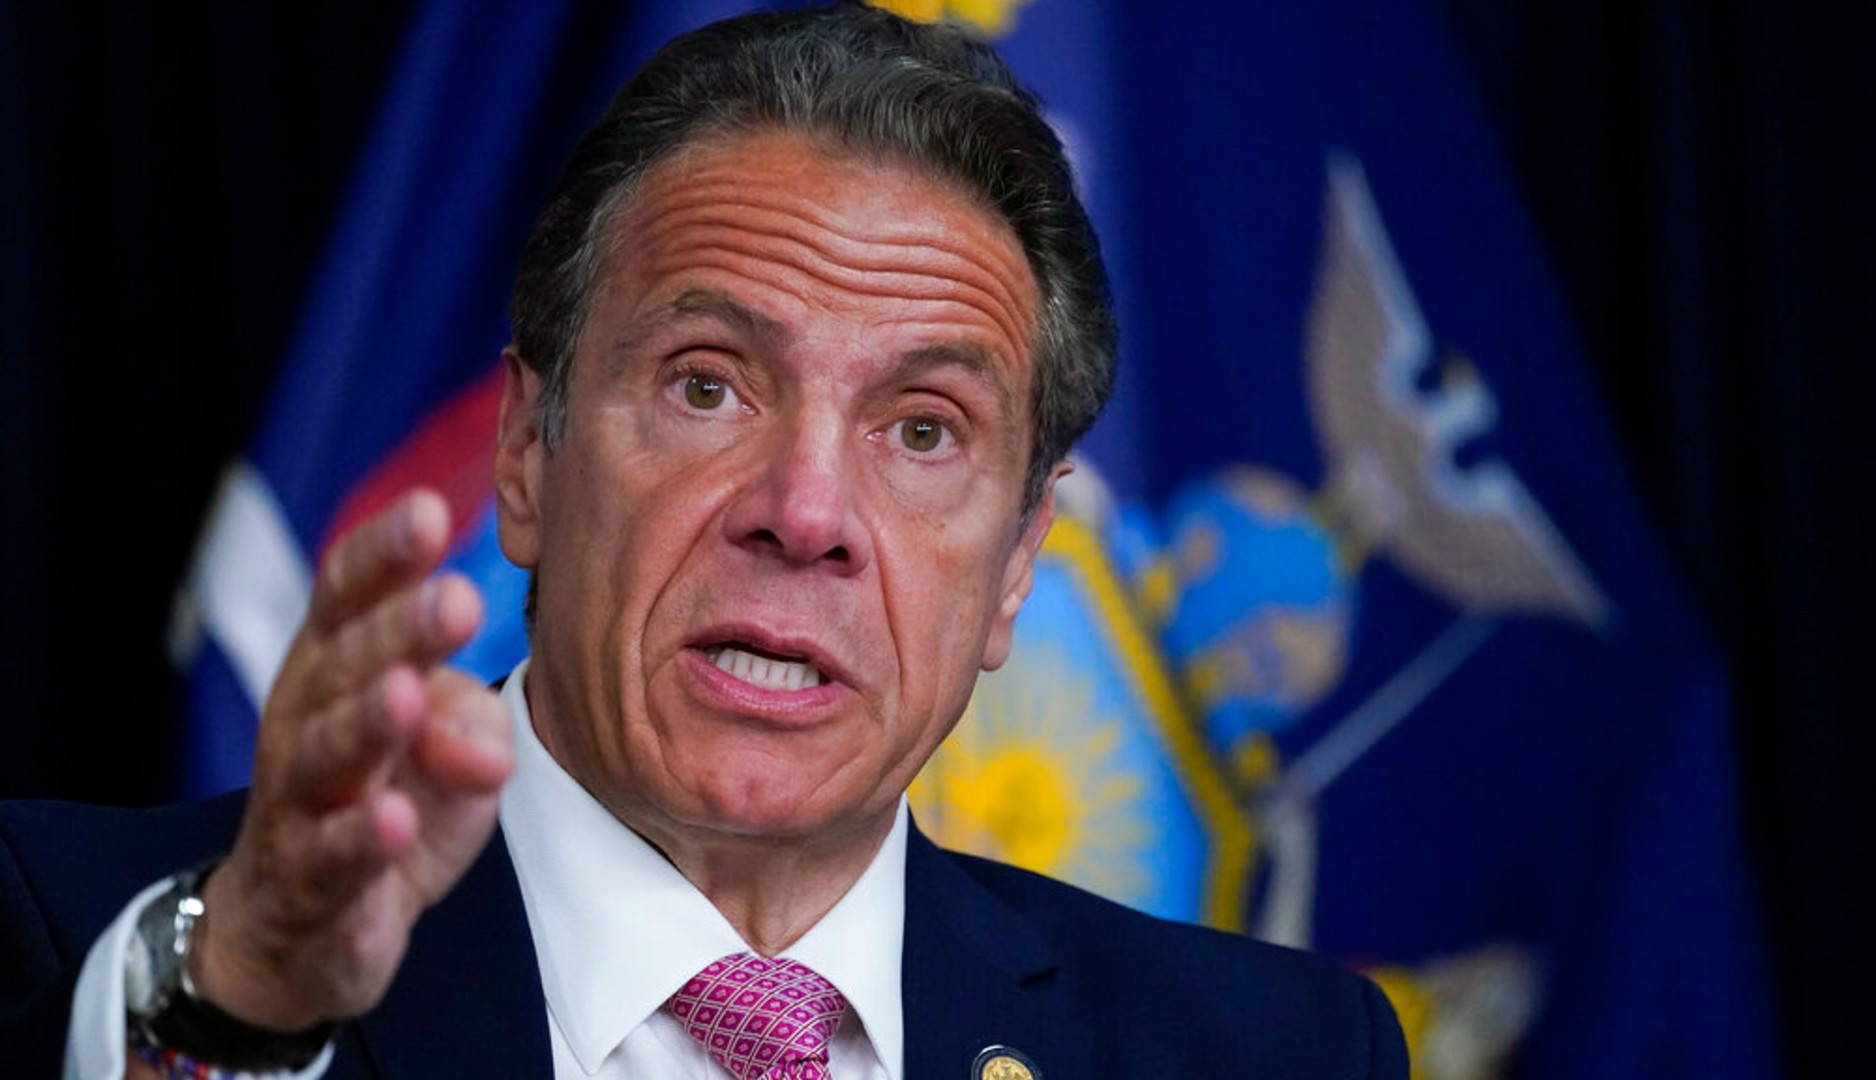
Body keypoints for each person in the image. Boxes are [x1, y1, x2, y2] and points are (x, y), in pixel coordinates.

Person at [1, 5, 1408, 1078]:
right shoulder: (70, 935)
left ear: (1020, 562)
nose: (803, 514)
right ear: (525, 455)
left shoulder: (1278, 1052)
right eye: (707, 384)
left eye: (923, 431)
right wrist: (235, 998)